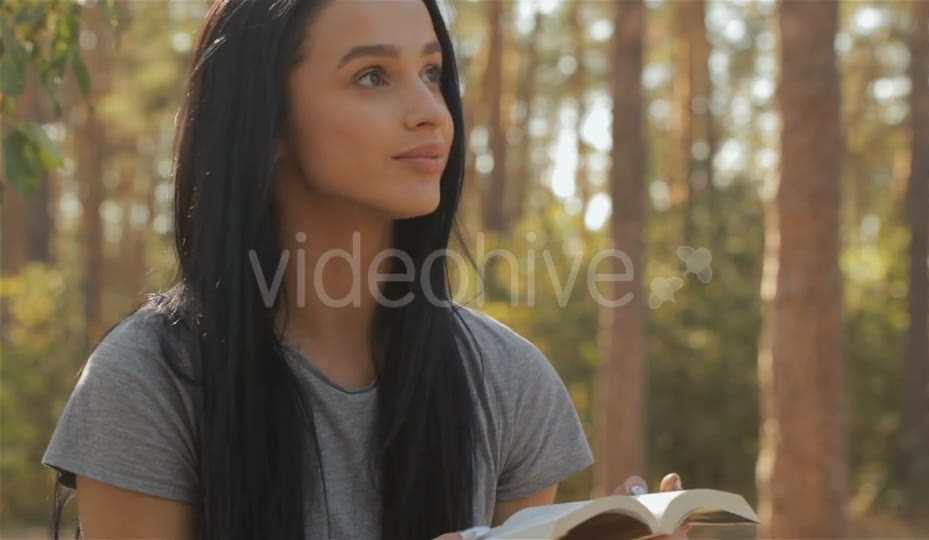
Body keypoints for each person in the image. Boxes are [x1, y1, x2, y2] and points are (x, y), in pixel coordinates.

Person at [42, 0, 684, 538]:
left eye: (432, 72)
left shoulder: (509, 382)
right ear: (268, 123)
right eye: (373, 76)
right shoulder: (149, 380)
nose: (431, 111)